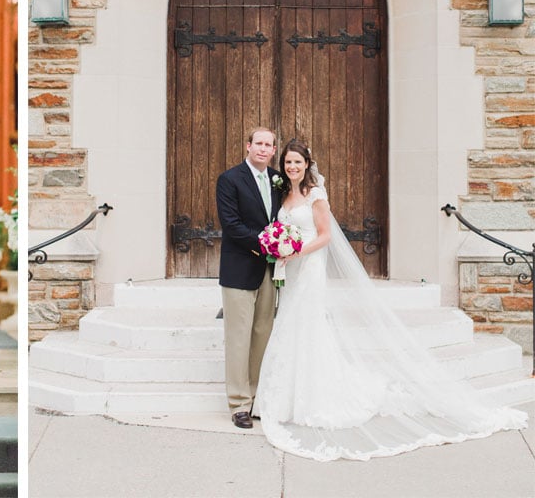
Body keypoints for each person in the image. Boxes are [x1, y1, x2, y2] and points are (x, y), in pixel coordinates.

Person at [256, 139, 527, 461]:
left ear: (307, 164)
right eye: (288, 163)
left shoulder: (316, 195)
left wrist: (296, 251)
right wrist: (281, 250)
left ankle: (310, 397)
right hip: (291, 269)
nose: (292, 168)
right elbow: (282, 228)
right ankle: (285, 397)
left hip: (308, 267)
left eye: (297, 162)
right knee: (290, 324)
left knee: (308, 324)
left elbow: (326, 235)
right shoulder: (283, 193)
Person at [215, 126, 281, 430]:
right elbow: (232, 225)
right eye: (259, 143)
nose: (264, 149)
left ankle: (255, 397)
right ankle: (238, 403)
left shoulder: (279, 180)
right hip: (240, 268)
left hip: (270, 271)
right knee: (239, 338)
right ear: (248, 146)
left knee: (262, 335)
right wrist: (267, 244)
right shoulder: (229, 180)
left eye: (269, 145)